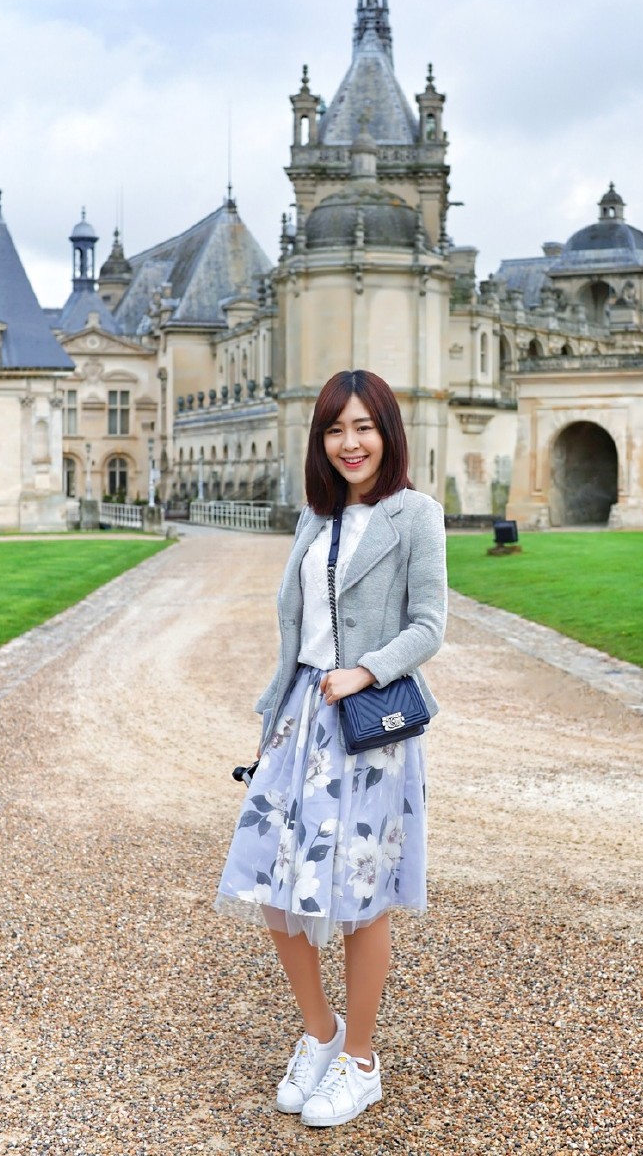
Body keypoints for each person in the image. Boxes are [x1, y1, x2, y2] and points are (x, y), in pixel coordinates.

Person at [215, 369, 447, 1129]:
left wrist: (366, 671)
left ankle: (361, 1062)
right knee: (274, 882)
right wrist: (287, 699)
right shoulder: (314, 518)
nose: (350, 443)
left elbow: (430, 624)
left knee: (359, 896)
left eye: (363, 427)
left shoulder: (416, 515)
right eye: (335, 429)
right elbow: (296, 627)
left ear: (388, 433)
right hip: (297, 719)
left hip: (366, 725)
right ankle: (321, 1034)